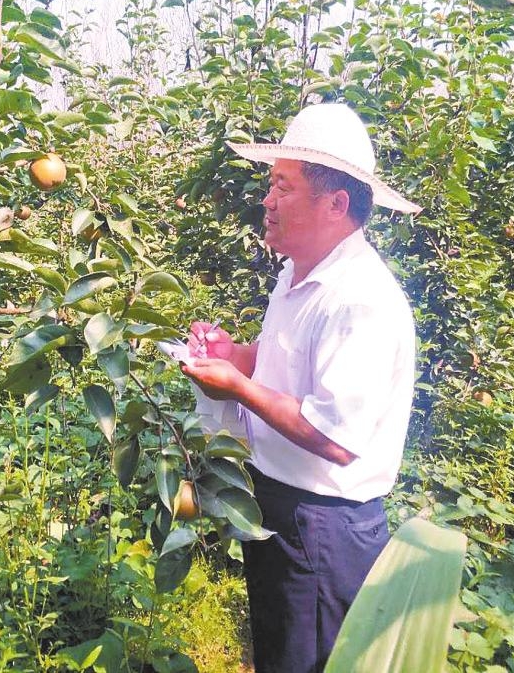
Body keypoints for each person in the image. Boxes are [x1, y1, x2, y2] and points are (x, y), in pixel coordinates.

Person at [181, 102, 421, 673]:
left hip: (323, 526)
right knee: (279, 653)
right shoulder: (297, 273)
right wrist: (236, 357)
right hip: (282, 508)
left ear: (335, 204)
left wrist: (237, 387)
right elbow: (287, 363)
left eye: (283, 187)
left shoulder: (359, 299)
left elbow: (337, 438)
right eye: (272, 184)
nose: (267, 200)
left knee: (309, 661)